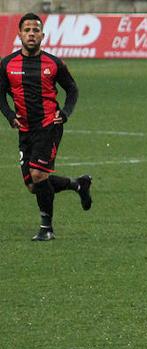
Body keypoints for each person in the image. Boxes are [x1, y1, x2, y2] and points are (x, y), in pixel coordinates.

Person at [0, 13, 92, 241]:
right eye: (27, 30)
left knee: (39, 175)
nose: (31, 34)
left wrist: (65, 113)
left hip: (48, 125)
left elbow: (72, 89)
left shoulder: (53, 63)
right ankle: (77, 184)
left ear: (43, 35)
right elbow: (0, 95)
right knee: (33, 185)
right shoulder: (7, 64)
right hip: (25, 129)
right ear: (19, 34)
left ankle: (46, 229)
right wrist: (10, 115)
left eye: (36, 30)